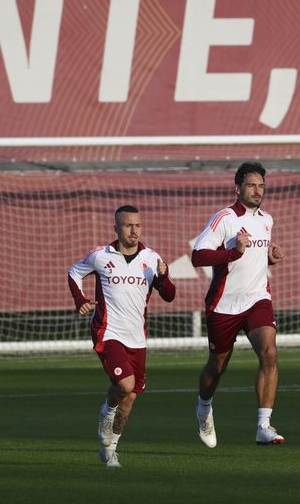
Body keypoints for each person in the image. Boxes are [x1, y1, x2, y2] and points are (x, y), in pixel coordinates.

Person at [68, 205, 176, 467]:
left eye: (137, 225)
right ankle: (107, 410)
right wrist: (80, 299)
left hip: (137, 337)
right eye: (128, 225)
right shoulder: (100, 256)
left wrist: (163, 277)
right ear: (116, 228)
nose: (134, 230)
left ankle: (110, 450)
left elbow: (170, 295)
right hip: (108, 332)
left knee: (130, 396)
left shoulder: (151, 258)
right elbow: (74, 273)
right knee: (125, 386)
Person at [191, 162, 286, 447]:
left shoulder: (266, 220)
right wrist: (233, 252)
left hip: (257, 299)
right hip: (224, 305)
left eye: (261, 186)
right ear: (237, 188)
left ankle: (263, 425)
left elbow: (253, 257)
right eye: (252, 185)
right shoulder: (225, 219)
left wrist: (270, 257)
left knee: (269, 352)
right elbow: (198, 256)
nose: (258, 191)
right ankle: (204, 406)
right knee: (217, 366)